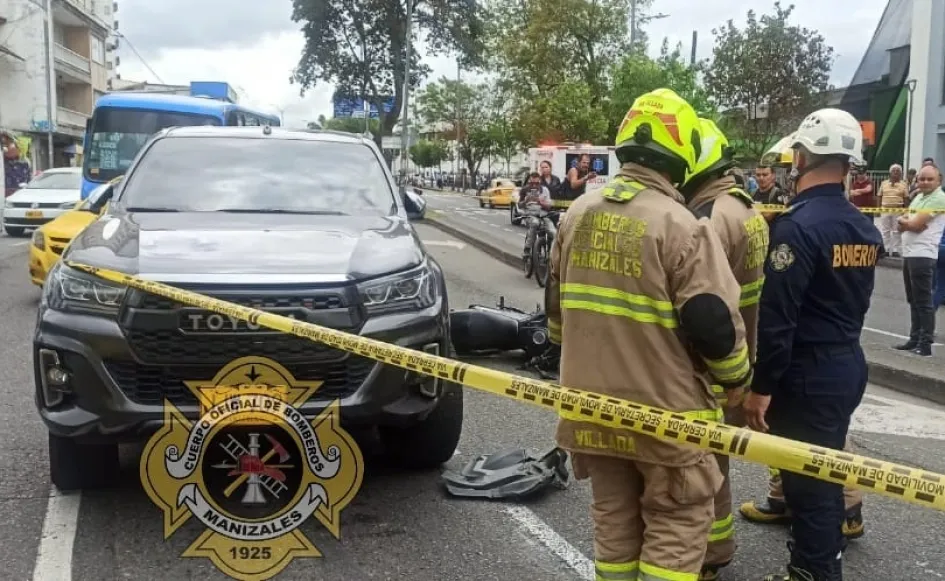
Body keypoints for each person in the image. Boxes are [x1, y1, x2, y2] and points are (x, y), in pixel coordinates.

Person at [546, 88, 752, 581]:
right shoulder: (681, 224)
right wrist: (737, 380)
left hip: (589, 408)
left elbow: (555, 313)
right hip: (666, 417)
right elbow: (713, 325)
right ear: (680, 157)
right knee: (677, 521)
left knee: (614, 524)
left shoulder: (576, 214)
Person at [742, 108, 882, 581]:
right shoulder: (862, 226)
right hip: (845, 363)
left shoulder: (797, 227)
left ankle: (813, 571)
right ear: (849, 163)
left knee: (811, 488)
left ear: (802, 157)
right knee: (821, 475)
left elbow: (779, 321)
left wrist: (762, 387)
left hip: (805, 374)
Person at [681, 118, 770, 581]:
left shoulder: (710, 217)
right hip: (748, 352)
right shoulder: (747, 209)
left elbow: (705, 304)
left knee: (703, 465)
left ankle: (710, 554)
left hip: (716, 366)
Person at [894, 164, 945, 356]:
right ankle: (914, 338)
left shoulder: (939, 197)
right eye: (922, 179)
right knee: (913, 299)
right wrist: (908, 223)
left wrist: (909, 223)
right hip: (909, 253)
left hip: (923, 254)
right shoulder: (918, 197)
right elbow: (903, 223)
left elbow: (914, 224)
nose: (924, 182)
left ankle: (925, 344)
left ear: (938, 180)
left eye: (929, 179)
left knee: (923, 301)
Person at [519, 172, 554, 260]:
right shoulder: (524, 190)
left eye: (537, 183)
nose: (534, 186)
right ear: (529, 182)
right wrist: (526, 201)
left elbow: (549, 206)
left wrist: (540, 202)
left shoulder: (545, 190)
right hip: (530, 215)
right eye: (531, 183)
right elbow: (519, 205)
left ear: (540, 182)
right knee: (534, 223)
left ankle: (552, 253)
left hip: (543, 215)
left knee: (553, 231)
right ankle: (527, 249)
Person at [876, 164, 909, 257]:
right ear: (890, 173)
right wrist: (878, 209)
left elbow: (906, 198)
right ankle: (885, 249)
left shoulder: (904, 184)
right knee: (885, 230)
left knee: (896, 231)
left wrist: (906, 212)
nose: (896, 172)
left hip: (898, 210)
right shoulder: (884, 183)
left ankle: (895, 250)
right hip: (885, 209)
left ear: (901, 173)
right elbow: (879, 196)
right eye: (894, 170)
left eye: (898, 170)